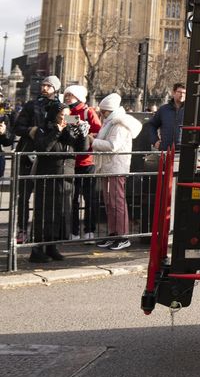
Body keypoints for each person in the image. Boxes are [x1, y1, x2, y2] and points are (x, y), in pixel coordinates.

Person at [28, 99, 89, 263]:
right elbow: (43, 148)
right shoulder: (43, 128)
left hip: (66, 175)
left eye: (67, 115)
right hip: (47, 175)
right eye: (61, 115)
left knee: (61, 212)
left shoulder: (70, 128)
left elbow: (82, 149)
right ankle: (37, 249)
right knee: (44, 213)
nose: (64, 118)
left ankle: (52, 246)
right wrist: (57, 130)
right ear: (54, 115)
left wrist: (83, 134)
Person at [92, 93, 143, 251]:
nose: (101, 114)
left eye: (103, 111)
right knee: (110, 202)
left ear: (109, 111)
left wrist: (94, 141)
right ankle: (114, 233)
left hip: (116, 167)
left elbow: (112, 145)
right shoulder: (111, 123)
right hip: (109, 166)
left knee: (117, 202)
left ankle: (122, 235)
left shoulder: (119, 124)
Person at [13, 75, 61, 241]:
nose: (44, 88)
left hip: (48, 156)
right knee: (24, 196)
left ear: (55, 89)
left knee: (45, 198)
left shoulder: (60, 106)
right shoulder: (31, 105)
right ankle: (22, 230)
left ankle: (39, 231)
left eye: (49, 86)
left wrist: (81, 124)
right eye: (43, 85)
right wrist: (30, 130)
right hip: (28, 154)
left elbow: (69, 123)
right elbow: (17, 127)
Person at [63, 84, 102, 240]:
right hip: (71, 162)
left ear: (78, 96)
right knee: (72, 199)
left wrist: (87, 136)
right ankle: (73, 230)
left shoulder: (88, 111)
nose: (67, 98)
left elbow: (98, 130)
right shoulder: (65, 112)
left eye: (70, 95)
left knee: (89, 198)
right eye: (66, 95)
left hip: (87, 161)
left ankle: (89, 230)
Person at [148, 82, 186, 151]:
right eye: (179, 92)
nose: (182, 95)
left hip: (184, 150)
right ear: (173, 93)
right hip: (165, 150)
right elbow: (152, 125)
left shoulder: (190, 110)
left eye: (184, 93)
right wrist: (155, 141)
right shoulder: (163, 109)